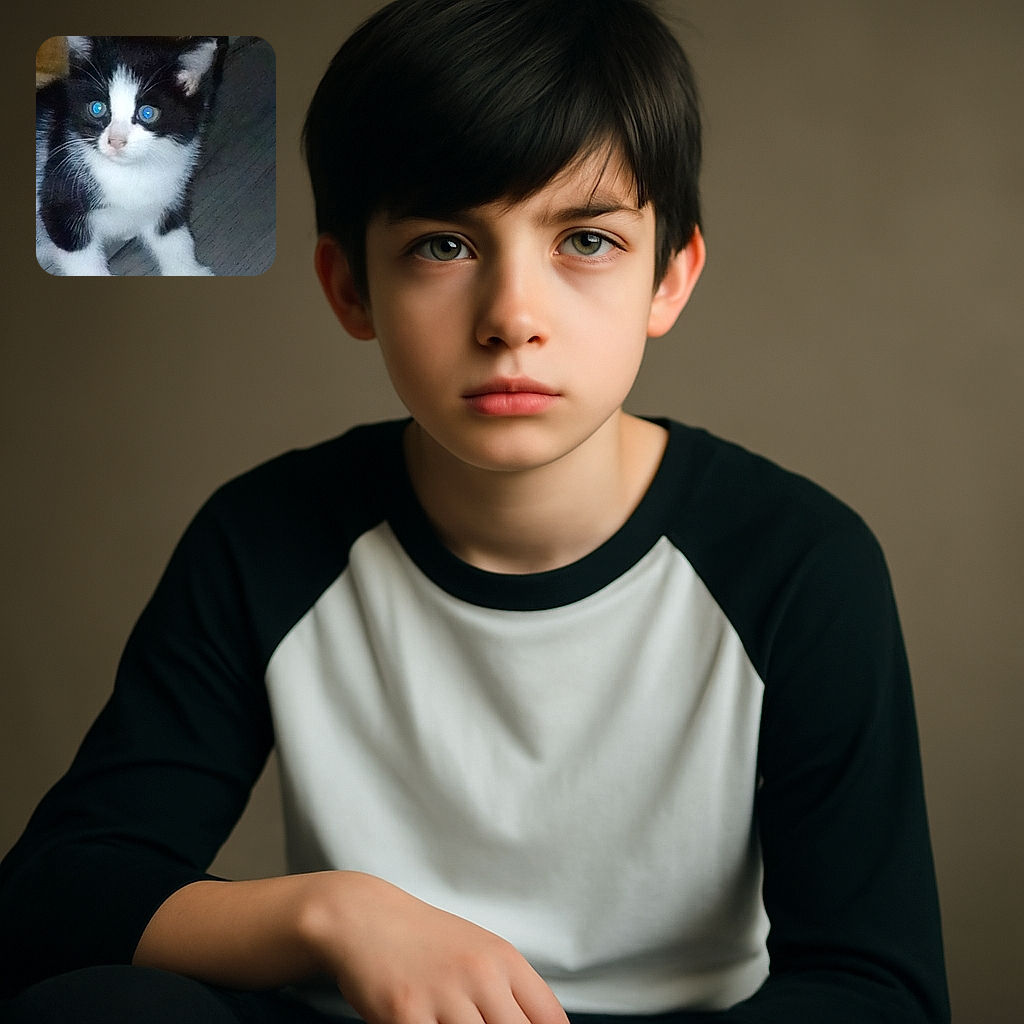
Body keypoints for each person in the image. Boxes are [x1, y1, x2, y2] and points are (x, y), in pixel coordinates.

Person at [0, 1, 949, 1021]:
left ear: (668, 279)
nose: (512, 319)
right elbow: (50, 900)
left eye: (585, 240)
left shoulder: (799, 563)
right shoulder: (268, 538)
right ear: (349, 287)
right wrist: (335, 915)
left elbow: (876, 987)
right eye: (444, 247)